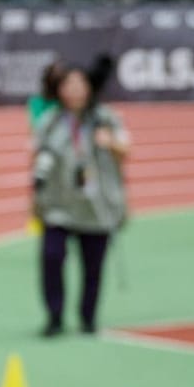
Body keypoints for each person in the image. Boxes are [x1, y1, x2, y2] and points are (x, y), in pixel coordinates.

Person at [30, 56, 129, 336]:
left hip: (96, 206)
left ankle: (88, 316)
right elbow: (38, 158)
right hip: (59, 204)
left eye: (79, 83)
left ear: (89, 87)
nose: (74, 90)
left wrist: (111, 143)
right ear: (59, 89)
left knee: (93, 266)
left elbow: (127, 150)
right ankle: (54, 316)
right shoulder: (50, 122)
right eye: (68, 84)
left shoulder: (105, 118)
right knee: (51, 257)